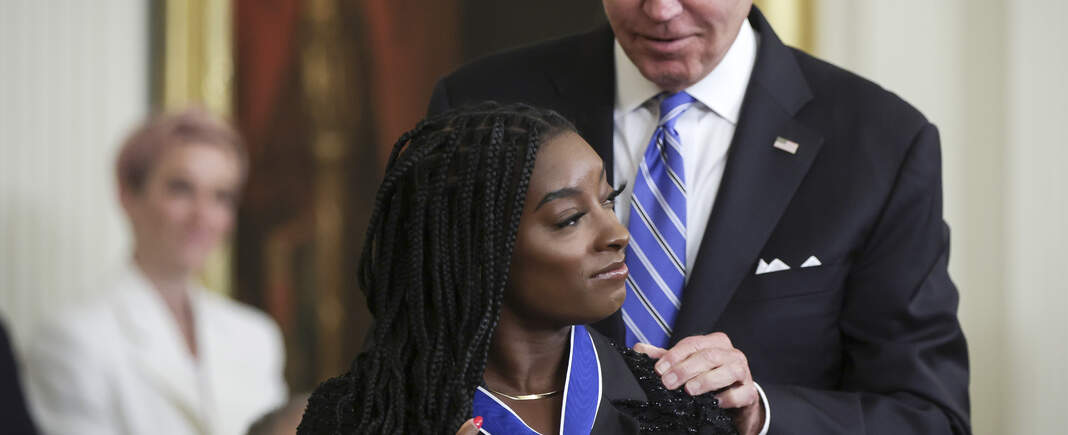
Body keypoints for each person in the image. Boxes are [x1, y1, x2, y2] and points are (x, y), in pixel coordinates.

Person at [428, 0, 971, 434]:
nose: (661, 3)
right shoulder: (479, 111)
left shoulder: (882, 145)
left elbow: (928, 417)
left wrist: (759, 415)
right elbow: (410, 362)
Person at [298, 103, 736, 434]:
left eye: (607, 200)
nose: (618, 234)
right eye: (569, 219)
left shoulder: (675, 405)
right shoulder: (359, 417)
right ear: (481, 247)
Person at [23, 108, 287, 435]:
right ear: (128, 195)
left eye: (221, 197)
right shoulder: (73, 340)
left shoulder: (257, 338)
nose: (203, 216)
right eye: (181, 189)